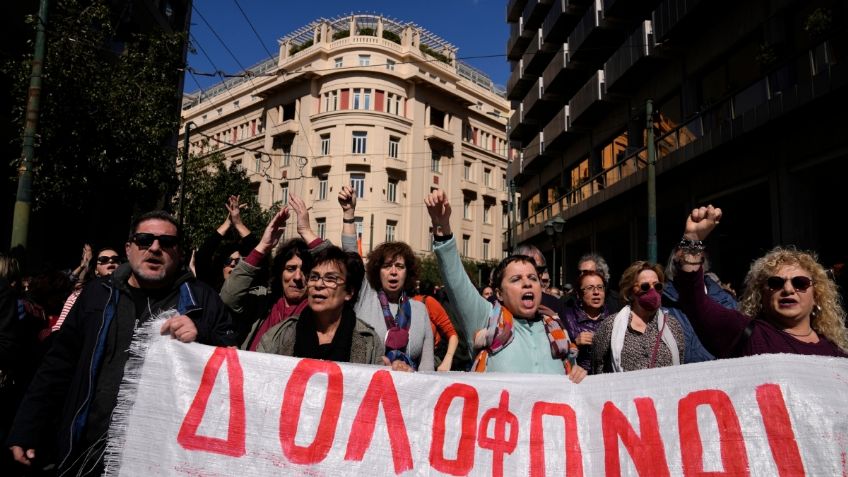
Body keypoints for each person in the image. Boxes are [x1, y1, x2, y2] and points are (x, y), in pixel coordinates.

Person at [6, 210, 236, 476]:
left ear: (180, 252)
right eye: (144, 240)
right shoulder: (96, 294)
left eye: (167, 242)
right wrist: (26, 427)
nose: (155, 248)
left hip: (161, 460)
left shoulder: (203, 300)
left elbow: (233, 361)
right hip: (87, 454)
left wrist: (203, 335)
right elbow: (58, 364)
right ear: (129, 248)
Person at [426, 189, 586, 381]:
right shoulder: (486, 319)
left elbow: (572, 372)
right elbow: (456, 281)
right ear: (499, 293)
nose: (527, 283)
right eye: (516, 279)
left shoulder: (555, 329)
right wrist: (442, 227)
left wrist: (579, 374)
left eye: (532, 278)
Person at [674, 205, 848, 358]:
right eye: (775, 283)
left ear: (816, 295)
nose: (788, 289)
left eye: (800, 283)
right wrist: (693, 240)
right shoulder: (746, 334)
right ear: (761, 294)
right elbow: (694, 300)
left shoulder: (837, 355)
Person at [333, 186, 434, 372]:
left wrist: (414, 375)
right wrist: (348, 214)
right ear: (377, 271)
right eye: (387, 266)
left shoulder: (420, 311)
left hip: (408, 394)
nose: (393, 272)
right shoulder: (365, 297)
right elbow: (350, 255)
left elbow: (427, 367)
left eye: (400, 267)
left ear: (408, 272)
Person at [257, 246, 384, 365]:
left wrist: (397, 373)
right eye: (314, 277)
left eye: (330, 279)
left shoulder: (369, 342)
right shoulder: (279, 336)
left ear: (349, 292)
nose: (318, 285)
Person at [220, 207, 318, 350]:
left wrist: (306, 232)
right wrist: (262, 247)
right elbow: (228, 298)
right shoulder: (262, 302)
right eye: (291, 269)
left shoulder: (318, 312)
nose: (297, 277)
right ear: (280, 272)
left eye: (305, 271)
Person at [593, 261, 685, 373]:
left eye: (657, 286)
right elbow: (598, 367)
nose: (652, 291)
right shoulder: (610, 325)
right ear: (631, 291)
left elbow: (681, 365)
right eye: (645, 286)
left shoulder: (672, 325)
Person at [662, 247, 737, 363]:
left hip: (718, 376)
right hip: (676, 377)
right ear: (674, 267)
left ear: (703, 264)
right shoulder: (662, 304)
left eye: (696, 260)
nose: (691, 267)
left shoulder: (726, 302)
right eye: (685, 261)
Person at [194, 195, 258, 291]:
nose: (232, 264)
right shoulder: (211, 289)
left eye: (237, 261)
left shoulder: (251, 291)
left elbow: (257, 251)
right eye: (228, 261)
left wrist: (238, 223)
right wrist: (227, 223)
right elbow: (202, 256)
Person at [55, 246, 123, 333]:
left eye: (115, 259)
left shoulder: (127, 293)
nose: (110, 261)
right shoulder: (80, 294)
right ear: (96, 270)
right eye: (104, 259)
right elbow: (59, 328)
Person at [562, 271, 613, 374]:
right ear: (579, 294)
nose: (596, 292)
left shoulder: (614, 318)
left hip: (607, 379)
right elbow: (557, 354)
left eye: (600, 287)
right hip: (578, 379)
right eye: (590, 288)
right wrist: (574, 344)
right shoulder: (566, 318)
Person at [513, 244, 568, 320]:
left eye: (539, 269)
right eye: (527, 267)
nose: (533, 273)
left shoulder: (554, 304)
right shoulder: (496, 307)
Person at [414, 281, 459, 371]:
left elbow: (452, 334)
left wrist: (447, 360)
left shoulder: (429, 302)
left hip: (431, 362)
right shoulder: (402, 302)